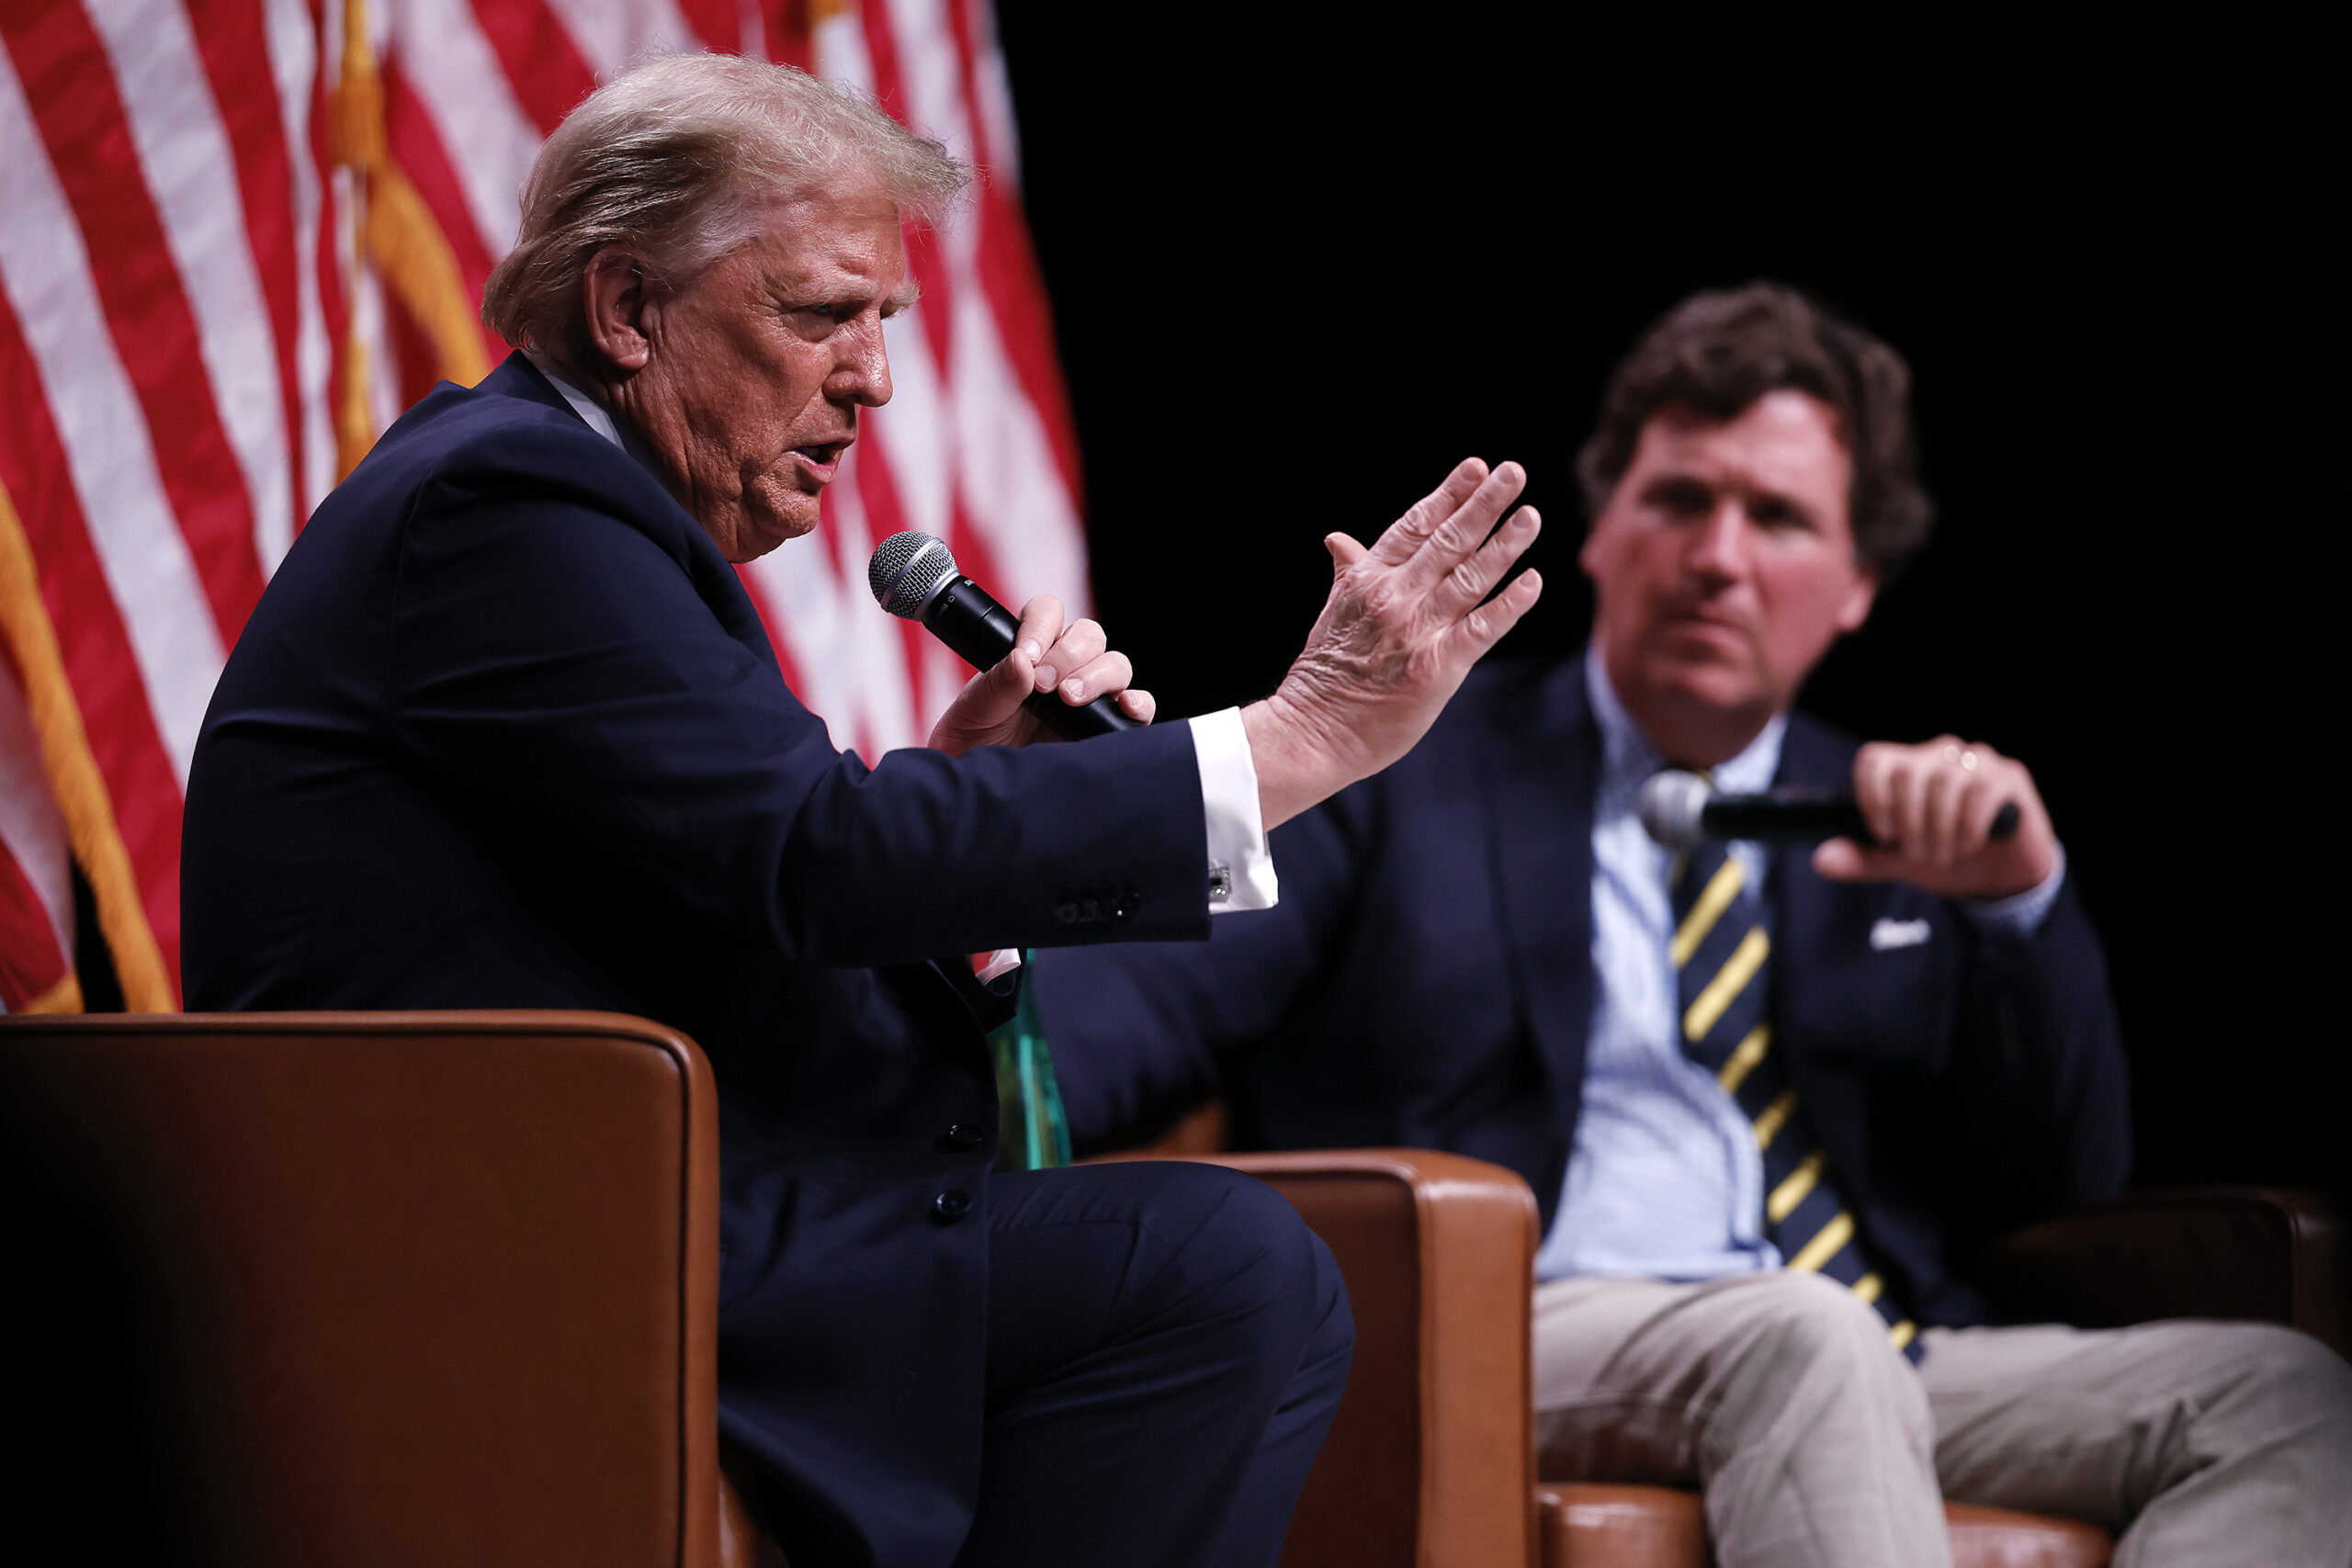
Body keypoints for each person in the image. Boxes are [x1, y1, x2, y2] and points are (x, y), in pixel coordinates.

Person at [178, 56, 1548, 1568]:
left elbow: (750, 891)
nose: (875, 381)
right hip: (520, 1249)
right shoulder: (506, 505)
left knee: (1209, 1272)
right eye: (824, 314)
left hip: (634, 1203)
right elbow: (814, 860)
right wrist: (1301, 741)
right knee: (1218, 1270)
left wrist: (969, 824)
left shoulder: (581, 511)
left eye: (885, 323)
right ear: (628, 309)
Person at [1034, 283, 2352, 1566]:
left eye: (1776, 516)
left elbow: (2064, 1186)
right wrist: (965, 1041)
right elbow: (1120, 1024)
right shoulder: (1404, 769)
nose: (1717, 555)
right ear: (1601, 530)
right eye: (1678, 500)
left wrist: (2019, 911)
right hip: (1519, 1330)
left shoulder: (1908, 817)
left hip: (1877, 1351)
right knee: (1806, 1340)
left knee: (2280, 1392)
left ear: (1857, 584)